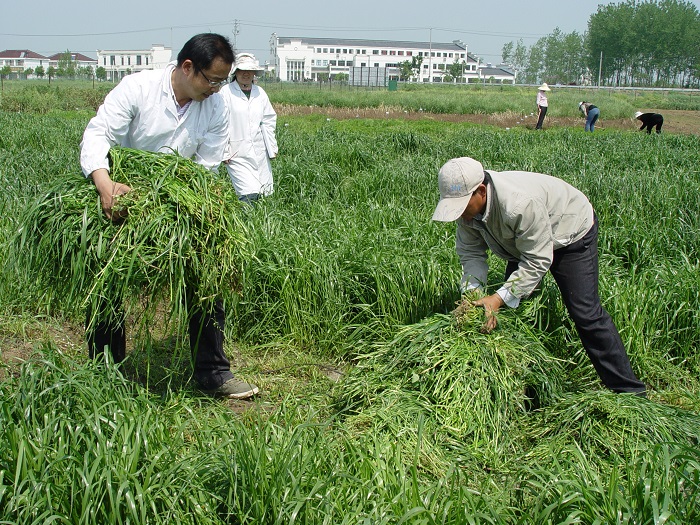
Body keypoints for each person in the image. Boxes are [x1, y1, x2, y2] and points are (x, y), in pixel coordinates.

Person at [80, 33, 259, 399]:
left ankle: (213, 372)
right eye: (211, 80)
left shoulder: (216, 105)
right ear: (187, 67)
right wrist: (105, 186)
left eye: (221, 81)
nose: (216, 88)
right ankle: (105, 371)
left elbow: (205, 165)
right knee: (105, 275)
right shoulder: (138, 88)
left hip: (177, 201)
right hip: (123, 196)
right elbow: (98, 135)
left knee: (210, 267)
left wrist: (181, 205)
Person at [432, 157, 646, 395]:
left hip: (568, 231)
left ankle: (630, 392)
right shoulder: (468, 213)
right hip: (523, 240)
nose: (460, 215)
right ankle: (519, 382)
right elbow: (471, 254)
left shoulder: (519, 204)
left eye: (462, 207)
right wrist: (474, 294)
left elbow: (537, 260)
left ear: (481, 191)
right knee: (511, 308)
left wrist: (498, 298)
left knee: (584, 312)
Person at [221, 52, 278, 204]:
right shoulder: (226, 93)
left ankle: (261, 225)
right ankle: (245, 224)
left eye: (249, 71)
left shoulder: (260, 93)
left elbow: (269, 120)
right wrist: (224, 150)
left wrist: (271, 147)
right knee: (247, 192)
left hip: (259, 151)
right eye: (242, 70)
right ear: (236, 72)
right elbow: (220, 123)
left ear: (254, 73)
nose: (246, 74)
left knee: (264, 192)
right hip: (236, 152)